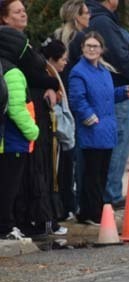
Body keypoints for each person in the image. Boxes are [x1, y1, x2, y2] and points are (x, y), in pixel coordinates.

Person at [68, 32, 129, 225]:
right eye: (88, 46)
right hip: (92, 129)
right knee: (91, 173)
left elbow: (109, 95)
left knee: (102, 172)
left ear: (102, 49)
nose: (92, 49)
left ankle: (98, 210)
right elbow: (77, 98)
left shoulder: (103, 71)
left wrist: (126, 92)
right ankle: (89, 212)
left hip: (107, 129)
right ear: (82, 48)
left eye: (95, 46)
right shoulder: (79, 72)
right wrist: (89, 117)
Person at [87, 0, 129, 209]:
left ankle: (108, 192)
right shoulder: (103, 21)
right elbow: (120, 55)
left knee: (116, 146)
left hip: (120, 90)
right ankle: (110, 194)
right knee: (118, 146)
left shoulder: (102, 19)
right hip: (122, 91)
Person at [0, 26, 39, 240]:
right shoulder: (13, 72)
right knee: (9, 187)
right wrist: (33, 131)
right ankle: (6, 227)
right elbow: (16, 108)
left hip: (6, 140)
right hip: (13, 140)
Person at [40, 38, 76, 223]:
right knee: (57, 177)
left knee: (65, 175)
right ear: (53, 59)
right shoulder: (48, 78)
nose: (65, 62)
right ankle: (58, 210)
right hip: (57, 137)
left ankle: (65, 207)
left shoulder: (55, 76)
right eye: (62, 58)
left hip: (63, 136)